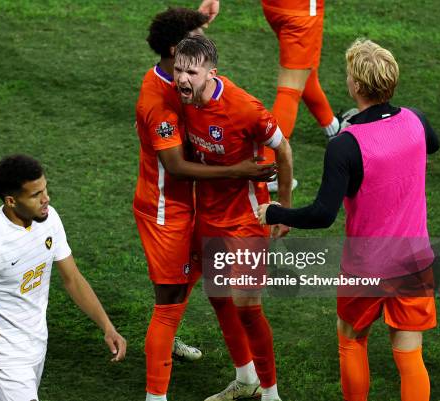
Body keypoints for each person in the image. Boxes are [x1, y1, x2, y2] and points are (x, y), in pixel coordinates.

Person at [257, 39, 439, 401]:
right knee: (409, 352)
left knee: (352, 339)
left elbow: (323, 214)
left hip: (366, 266)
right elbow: (429, 144)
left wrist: (274, 212)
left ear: (355, 85)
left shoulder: (345, 144)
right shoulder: (416, 121)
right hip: (415, 261)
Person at [136, 9, 278, 401]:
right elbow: (176, 166)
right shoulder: (159, 101)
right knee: (169, 303)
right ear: (173, 51)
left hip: (196, 211)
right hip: (166, 214)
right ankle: (156, 396)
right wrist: (240, 171)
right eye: (193, 38)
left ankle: (248, 378)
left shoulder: (181, 82)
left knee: (219, 291)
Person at [0, 154, 126, 401]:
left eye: (45, 189)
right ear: (12, 201)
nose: (46, 199)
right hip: (2, 350)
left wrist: (108, 326)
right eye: (36, 195)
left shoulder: (49, 219)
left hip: (36, 341)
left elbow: (72, 278)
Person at [174, 35, 292, 401]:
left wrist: (282, 208)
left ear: (212, 72)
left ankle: (271, 394)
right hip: (207, 217)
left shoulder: (244, 108)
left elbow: (283, 148)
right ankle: (245, 379)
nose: (182, 78)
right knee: (219, 297)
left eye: (191, 72)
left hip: (246, 219)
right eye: (178, 69)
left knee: (248, 306)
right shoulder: (183, 102)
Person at [198, 0, 347, 192]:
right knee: (291, 88)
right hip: (301, 12)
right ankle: (267, 170)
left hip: (274, 7)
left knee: (303, 69)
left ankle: (332, 126)